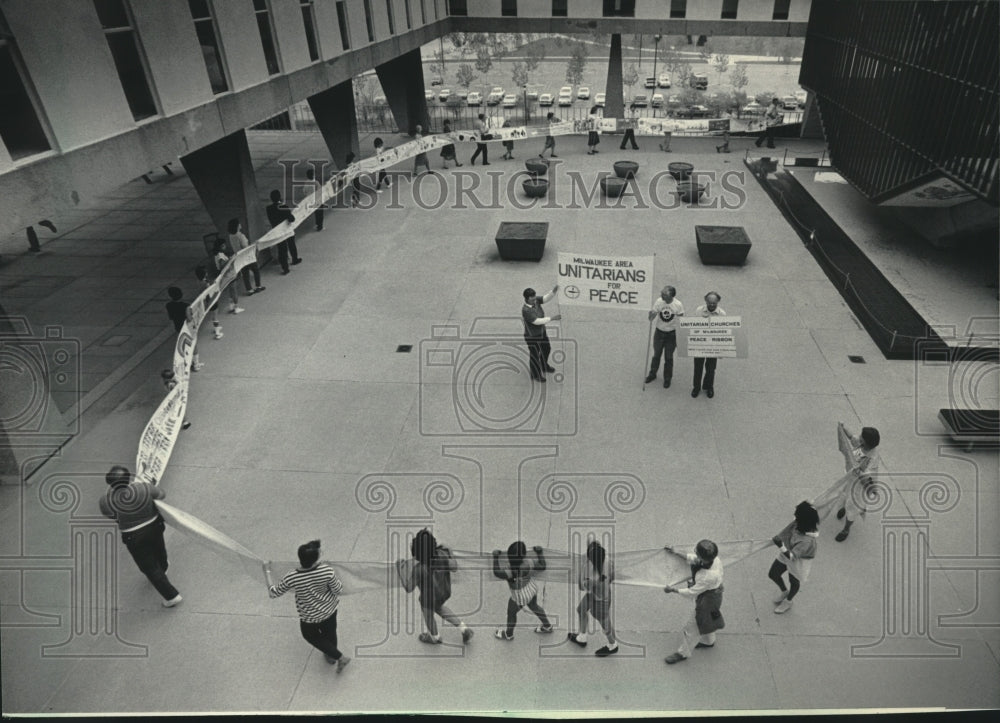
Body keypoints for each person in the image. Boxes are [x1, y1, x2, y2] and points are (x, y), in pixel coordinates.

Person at [98, 465, 182, 607]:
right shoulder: (143, 488)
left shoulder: (106, 501)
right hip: (155, 526)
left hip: (133, 535)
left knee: (148, 566)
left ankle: (172, 596)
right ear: (129, 478)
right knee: (159, 547)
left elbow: (112, 516)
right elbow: (161, 494)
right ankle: (164, 568)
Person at [265, 541, 351, 673]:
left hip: (310, 616)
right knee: (330, 632)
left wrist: (267, 570)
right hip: (330, 609)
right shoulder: (327, 571)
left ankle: (339, 657)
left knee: (310, 636)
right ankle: (332, 656)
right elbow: (338, 590)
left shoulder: (292, 577)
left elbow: (273, 593)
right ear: (315, 559)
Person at [396, 528, 472, 645]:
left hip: (428, 599)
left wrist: (400, 570)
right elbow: (454, 567)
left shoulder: (418, 569)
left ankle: (434, 637)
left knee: (429, 616)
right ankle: (463, 628)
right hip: (443, 592)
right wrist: (449, 551)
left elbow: (408, 588)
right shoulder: (443, 554)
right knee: (440, 608)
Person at [662, 539, 724, 664]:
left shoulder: (708, 576)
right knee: (710, 619)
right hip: (714, 597)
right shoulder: (714, 560)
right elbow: (695, 559)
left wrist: (673, 590)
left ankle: (683, 653)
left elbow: (692, 592)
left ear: (704, 558)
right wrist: (676, 552)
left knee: (691, 628)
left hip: (706, 601)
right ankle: (709, 641)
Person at [492, 541, 553, 640]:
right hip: (531, 588)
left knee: (511, 613)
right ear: (524, 555)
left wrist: (495, 558)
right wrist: (539, 552)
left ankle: (508, 634)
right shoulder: (529, 562)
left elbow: (496, 572)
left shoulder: (510, 571)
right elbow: (542, 566)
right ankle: (547, 626)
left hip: (519, 595)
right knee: (535, 607)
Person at [567, 540, 618, 657]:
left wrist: (582, 568)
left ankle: (612, 645)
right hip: (602, 593)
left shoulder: (591, 576)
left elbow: (581, 587)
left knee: (605, 622)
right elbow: (612, 577)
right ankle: (582, 637)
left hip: (599, 601)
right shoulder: (608, 559)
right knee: (581, 610)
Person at [769, 501, 820, 613]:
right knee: (773, 574)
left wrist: (780, 545)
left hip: (798, 560)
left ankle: (788, 601)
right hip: (787, 550)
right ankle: (784, 591)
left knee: (794, 581)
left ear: (804, 521)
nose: (795, 517)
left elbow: (792, 557)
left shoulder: (806, 541)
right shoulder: (799, 523)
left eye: (797, 515)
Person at [835, 425, 881, 542]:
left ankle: (846, 529)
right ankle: (843, 508)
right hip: (849, 479)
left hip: (858, 487)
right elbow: (851, 437)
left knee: (852, 507)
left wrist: (859, 472)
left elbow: (866, 477)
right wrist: (843, 427)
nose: (859, 437)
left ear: (866, 442)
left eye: (861, 437)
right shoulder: (862, 444)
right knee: (843, 495)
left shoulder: (872, 459)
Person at [645, 285, 684, 388]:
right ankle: (652, 374)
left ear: (670, 296)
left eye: (664, 294)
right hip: (659, 332)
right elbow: (651, 317)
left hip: (671, 334)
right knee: (656, 355)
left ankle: (667, 378)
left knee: (668, 357)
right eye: (661, 293)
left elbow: (680, 320)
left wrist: (679, 336)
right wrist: (651, 315)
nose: (661, 295)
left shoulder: (678, 305)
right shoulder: (659, 301)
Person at [521, 286, 561, 383]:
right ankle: (535, 374)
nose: (534, 299)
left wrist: (553, 291)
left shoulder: (535, 301)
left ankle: (544, 365)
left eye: (534, 296)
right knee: (534, 355)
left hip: (541, 333)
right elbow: (536, 321)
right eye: (532, 298)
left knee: (547, 349)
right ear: (526, 298)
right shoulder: (526, 310)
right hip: (532, 337)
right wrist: (552, 318)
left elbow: (545, 298)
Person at [691, 291, 726, 398]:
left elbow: (724, 332)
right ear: (705, 301)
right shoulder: (699, 311)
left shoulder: (722, 314)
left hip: (713, 346)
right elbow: (693, 326)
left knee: (711, 369)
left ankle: (708, 387)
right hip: (700, 344)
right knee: (698, 367)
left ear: (718, 302)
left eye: (714, 303)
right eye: (709, 303)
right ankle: (696, 387)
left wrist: (721, 350)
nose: (711, 305)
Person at [265, 189, 301, 274]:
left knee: (282, 249)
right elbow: (291, 219)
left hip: (277, 231)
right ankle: (294, 259)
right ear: (280, 197)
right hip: (287, 230)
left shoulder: (268, 209)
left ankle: (285, 268)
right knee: (291, 244)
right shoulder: (284, 207)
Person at [166, 287, 203, 371]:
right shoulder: (186, 306)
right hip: (187, 328)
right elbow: (189, 319)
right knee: (193, 345)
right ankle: (196, 364)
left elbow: (170, 317)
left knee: (184, 345)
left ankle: (187, 363)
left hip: (178, 327)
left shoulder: (168, 305)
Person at [227, 218, 265, 296]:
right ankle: (258, 286)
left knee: (245, 273)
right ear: (237, 226)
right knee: (255, 270)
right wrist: (254, 244)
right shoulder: (240, 235)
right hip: (247, 256)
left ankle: (249, 289)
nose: (240, 225)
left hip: (239, 256)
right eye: (239, 224)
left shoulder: (231, 236)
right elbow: (245, 246)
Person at [212, 238, 245, 315]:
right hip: (229, 275)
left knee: (231, 290)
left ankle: (231, 305)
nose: (225, 247)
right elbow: (223, 266)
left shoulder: (217, 254)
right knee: (234, 290)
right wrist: (230, 260)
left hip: (228, 275)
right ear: (220, 247)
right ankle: (236, 307)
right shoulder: (220, 256)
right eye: (223, 246)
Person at [194, 265, 223, 340]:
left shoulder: (198, 282)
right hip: (211, 300)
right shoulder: (205, 283)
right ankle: (217, 333)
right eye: (206, 272)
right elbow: (210, 291)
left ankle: (216, 327)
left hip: (206, 301)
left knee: (214, 315)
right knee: (215, 315)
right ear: (204, 274)